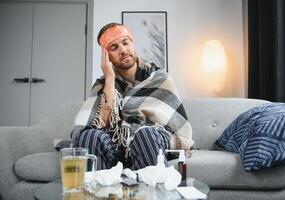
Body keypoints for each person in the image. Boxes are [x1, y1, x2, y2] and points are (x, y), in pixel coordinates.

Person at [71, 22, 194, 170]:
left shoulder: (159, 77)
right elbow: (100, 124)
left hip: (152, 140)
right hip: (117, 146)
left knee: (145, 136)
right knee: (90, 136)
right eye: (114, 47)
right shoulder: (103, 84)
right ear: (107, 56)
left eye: (125, 43)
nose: (123, 50)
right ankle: (101, 192)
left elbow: (174, 127)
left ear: (132, 43)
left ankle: (151, 192)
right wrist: (109, 78)